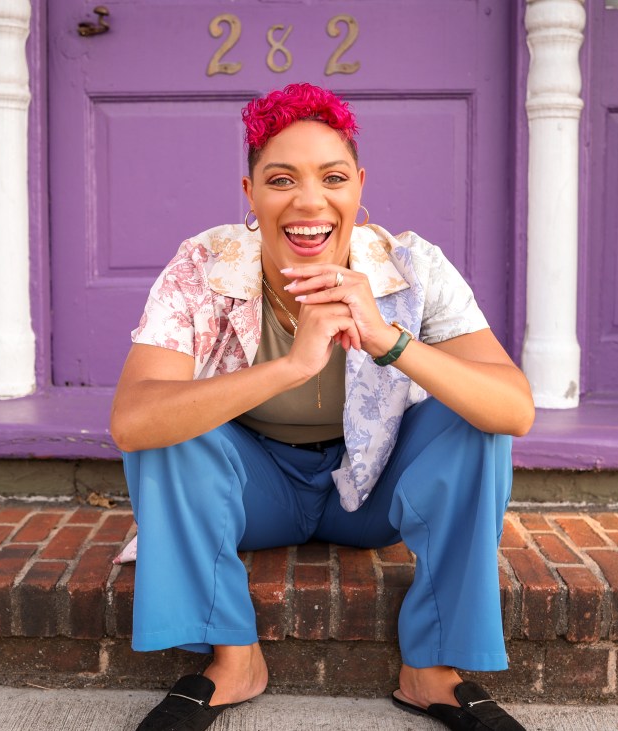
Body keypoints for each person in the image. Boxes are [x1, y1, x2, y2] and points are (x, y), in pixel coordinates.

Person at [110, 82, 534, 731]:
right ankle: (233, 657)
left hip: (370, 490)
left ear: (358, 187)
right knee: (170, 422)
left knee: (476, 417)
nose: (309, 200)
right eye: (281, 179)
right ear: (250, 194)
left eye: (332, 177)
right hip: (255, 491)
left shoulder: (413, 265)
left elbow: (515, 409)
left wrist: (388, 339)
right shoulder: (203, 264)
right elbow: (132, 419)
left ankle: (434, 668)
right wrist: (292, 364)